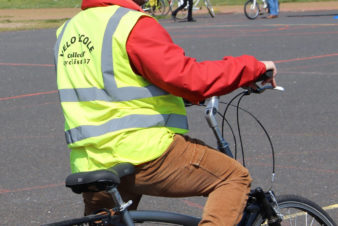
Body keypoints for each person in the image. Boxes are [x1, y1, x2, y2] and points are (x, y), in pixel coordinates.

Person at [54, 0, 277, 225]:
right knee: (232, 177)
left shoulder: (68, 29)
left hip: (91, 160)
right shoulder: (130, 24)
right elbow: (190, 79)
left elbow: (111, 83)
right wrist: (252, 68)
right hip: (142, 152)